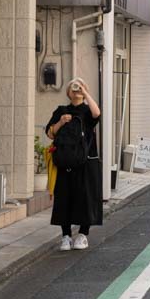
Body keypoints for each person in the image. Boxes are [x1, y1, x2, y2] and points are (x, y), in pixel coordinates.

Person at [46, 79, 102, 251]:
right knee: (64, 199)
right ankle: (66, 236)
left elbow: (96, 114)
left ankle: (83, 235)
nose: (76, 89)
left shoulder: (86, 111)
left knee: (85, 198)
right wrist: (61, 122)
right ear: (68, 92)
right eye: (73, 87)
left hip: (85, 162)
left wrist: (86, 93)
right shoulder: (60, 111)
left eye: (79, 87)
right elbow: (50, 133)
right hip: (65, 161)